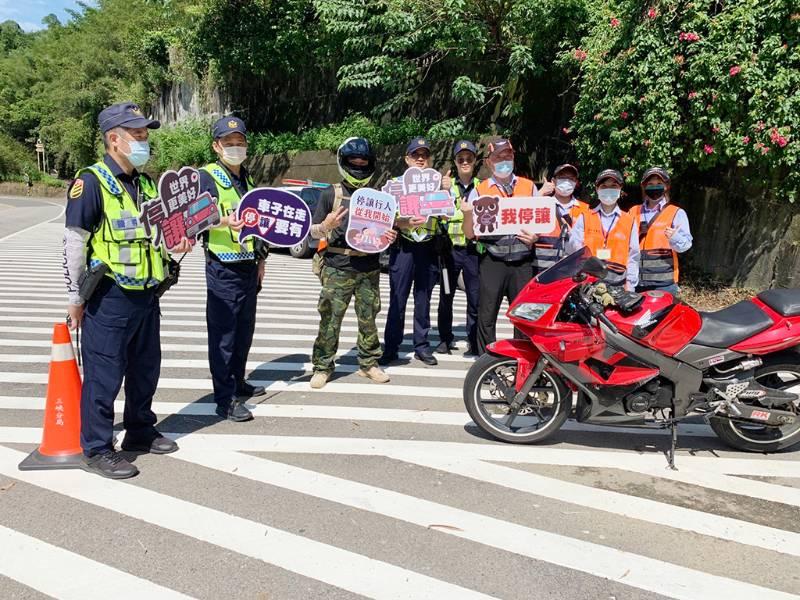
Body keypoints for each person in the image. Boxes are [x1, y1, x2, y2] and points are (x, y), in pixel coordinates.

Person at [62, 101, 192, 479]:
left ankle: (139, 430)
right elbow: (74, 242)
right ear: (114, 139)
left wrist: (178, 243)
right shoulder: (91, 182)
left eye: (145, 133)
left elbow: (161, 235)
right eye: (137, 134)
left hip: (148, 294)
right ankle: (98, 448)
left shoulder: (148, 182)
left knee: (145, 369)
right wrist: (74, 298)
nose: (144, 139)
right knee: (104, 375)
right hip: (110, 296)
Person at [309, 137, 396, 389]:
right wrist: (326, 226)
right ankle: (322, 366)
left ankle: (369, 363)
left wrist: (390, 236)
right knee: (330, 318)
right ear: (343, 162)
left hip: (369, 266)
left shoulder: (378, 198)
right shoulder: (331, 193)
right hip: (337, 265)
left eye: (363, 161)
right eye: (353, 161)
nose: (358, 165)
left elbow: (386, 232)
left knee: (369, 317)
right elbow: (312, 232)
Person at [198, 116, 267, 423]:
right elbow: (192, 218)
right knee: (224, 335)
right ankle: (225, 399)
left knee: (244, 332)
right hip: (222, 267)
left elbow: (259, 226)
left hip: (248, 267)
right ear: (216, 146)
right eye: (229, 143)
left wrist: (262, 259)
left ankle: (238, 381)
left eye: (240, 143)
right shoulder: (207, 176)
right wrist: (224, 221)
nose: (236, 148)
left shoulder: (248, 180)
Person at [462, 139, 554, 355]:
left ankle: (522, 362)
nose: (504, 161)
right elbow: (469, 233)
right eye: (499, 157)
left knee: (523, 317)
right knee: (486, 315)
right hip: (492, 261)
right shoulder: (480, 190)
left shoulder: (528, 186)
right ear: (488, 162)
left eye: (508, 156)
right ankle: (487, 362)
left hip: (522, 260)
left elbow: (538, 223)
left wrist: (535, 236)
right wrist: (467, 214)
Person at [380, 137, 442, 366]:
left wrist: (445, 197)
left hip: (428, 245)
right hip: (404, 247)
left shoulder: (437, 182)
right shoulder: (395, 185)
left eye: (424, 155)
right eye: (415, 155)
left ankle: (421, 346)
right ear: (406, 159)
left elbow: (447, 212)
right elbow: (385, 218)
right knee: (398, 297)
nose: (420, 159)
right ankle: (391, 346)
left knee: (423, 298)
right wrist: (402, 223)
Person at [436, 140, 480, 356]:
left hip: (473, 250)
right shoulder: (446, 186)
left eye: (468, 158)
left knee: (475, 297)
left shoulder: (483, 187)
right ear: (455, 161)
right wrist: (442, 191)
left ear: (475, 161)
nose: (465, 161)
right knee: (446, 294)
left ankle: (474, 339)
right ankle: (445, 338)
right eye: (460, 158)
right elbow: (433, 211)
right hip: (449, 250)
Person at [568, 169, 640, 290]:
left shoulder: (629, 220)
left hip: (619, 284)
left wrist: (630, 284)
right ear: (597, 189)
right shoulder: (585, 217)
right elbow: (574, 250)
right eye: (604, 186)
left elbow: (633, 256)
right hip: (589, 283)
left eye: (613, 186)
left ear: (620, 189)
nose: (608, 189)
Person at [629, 167, 692, 297]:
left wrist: (675, 237)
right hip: (636, 283)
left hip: (664, 284)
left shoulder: (676, 213)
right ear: (644, 186)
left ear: (666, 186)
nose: (654, 187)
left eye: (659, 184)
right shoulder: (633, 211)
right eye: (650, 184)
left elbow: (685, 245)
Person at [533, 163, 590, 273]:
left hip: (573, 273)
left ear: (576, 183)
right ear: (553, 181)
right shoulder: (540, 204)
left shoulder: (585, 209)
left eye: (571, 178)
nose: (567, 181)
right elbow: (523, 215)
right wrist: (539, 194)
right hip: (542, 271)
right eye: (562, 177)